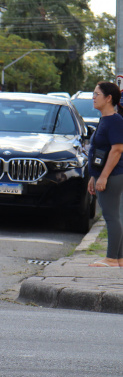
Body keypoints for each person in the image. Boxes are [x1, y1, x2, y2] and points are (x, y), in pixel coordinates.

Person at [88, 81, 123, 267]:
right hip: (104, 175)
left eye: (97, 94)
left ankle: (111, 258)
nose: (93, 97)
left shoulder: (116, 121)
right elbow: (99, 152)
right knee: (113, 216)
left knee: (111, 216)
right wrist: (94, 176)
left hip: (113, 175)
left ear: (109, 98)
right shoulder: (105, 119)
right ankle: (119, 259)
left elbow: (116, 150)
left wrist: (103, 177)